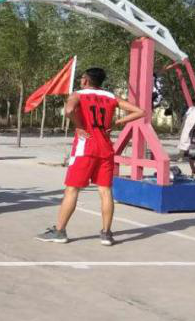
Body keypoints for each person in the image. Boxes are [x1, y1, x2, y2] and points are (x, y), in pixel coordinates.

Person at [36, 67, 145, 245]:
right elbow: (140, 112)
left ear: (86, 80)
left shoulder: (78, 94)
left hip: (85, 148)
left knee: (72, 189)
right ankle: (106, 234)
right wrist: (117, 122)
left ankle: (60, 231)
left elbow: (69, 111)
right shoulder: (111, 96)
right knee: (105, 191)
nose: (80, 80)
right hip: (105, 149)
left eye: (82, 78)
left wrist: (79, 125)